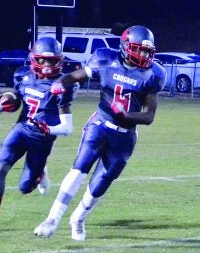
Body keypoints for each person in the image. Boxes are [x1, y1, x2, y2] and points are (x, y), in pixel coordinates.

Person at [33, 25, 166, 240]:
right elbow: (75, 76)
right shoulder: (105, 59)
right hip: (100, 125)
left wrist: (126, 115)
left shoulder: (153, 74)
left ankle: (78, 218)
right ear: (125, 47)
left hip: (125, 137)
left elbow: (149, 116)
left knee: (99, 184)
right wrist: (61, 82)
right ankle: (52, 219)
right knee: (79, 169)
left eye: (146, 51)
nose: (143, 55)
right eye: (139, 49)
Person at [0, 37, 75, 233]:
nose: (47, 65)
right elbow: (15, 100)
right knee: (1, 167)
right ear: (33, 59)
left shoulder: (63, 84)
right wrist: (4, 100)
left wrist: (49, 129)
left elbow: (68, 127)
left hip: (42, 139)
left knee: (24, 187)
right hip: (21, 130)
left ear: (59, 61)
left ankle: (40, 173)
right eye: (42, 60)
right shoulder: (23, 75)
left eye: (52, 61)